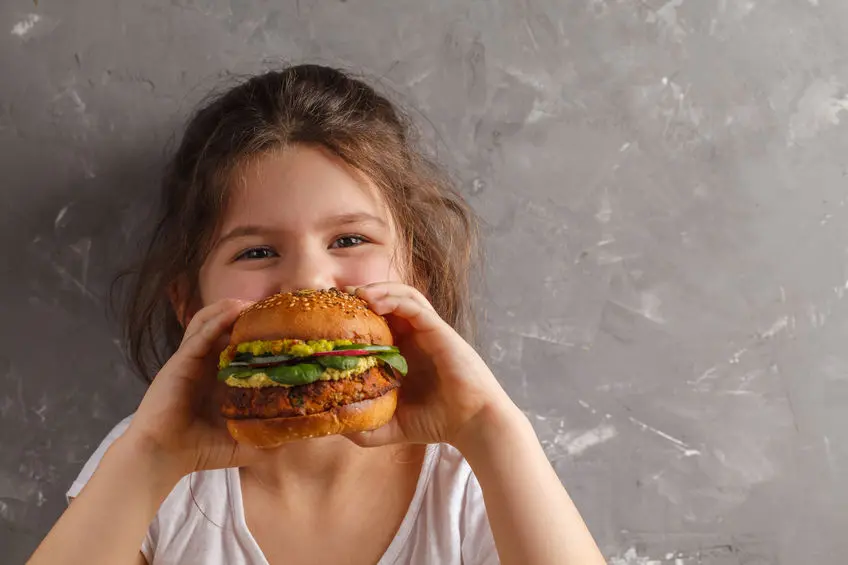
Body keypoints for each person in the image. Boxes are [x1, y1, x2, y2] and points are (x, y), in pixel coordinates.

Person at [27, 64, 605, 565]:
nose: (308, 279)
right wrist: (152, 458)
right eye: (256, 252)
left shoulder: (470, 474)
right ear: (189, 303)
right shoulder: (152, 463)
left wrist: (490, 429)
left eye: (351, 239)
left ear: (418, 277)